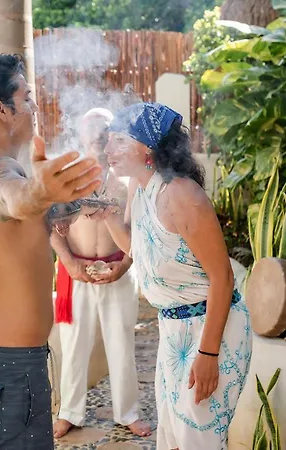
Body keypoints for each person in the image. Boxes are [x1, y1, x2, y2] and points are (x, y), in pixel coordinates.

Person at [0, 53, 103, 450]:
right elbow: (12, 199)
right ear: (2, 109)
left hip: (0, 362)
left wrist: (83, 198)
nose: (34, 107)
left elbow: (30, 212)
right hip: (9, 368)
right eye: (27, 97)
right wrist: (38, 192)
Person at [94, 102, 252, 450]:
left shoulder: (182, 195)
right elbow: (137, 245)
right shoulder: (140, 188)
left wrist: (208, 354)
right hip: (173, 331)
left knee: (198, 441)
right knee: (175, 440)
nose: (108, 150)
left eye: (119, 140)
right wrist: (107, 216)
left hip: (210, 329)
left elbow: (223, 278)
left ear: (147, 147)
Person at [51, 108, 151, 439]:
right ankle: (69, 413)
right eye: (92, 130)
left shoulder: (127, 180)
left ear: (115, 136)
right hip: (76, 273)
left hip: (117, 271)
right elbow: (48, 225)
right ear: (81, 135)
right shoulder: (67, 180)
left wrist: (124, 265)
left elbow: (139, 230)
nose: (98, 136)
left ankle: (128, 413)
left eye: (105, 130)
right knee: (73, 347)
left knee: (121, 345)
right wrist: (69, 262)